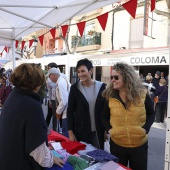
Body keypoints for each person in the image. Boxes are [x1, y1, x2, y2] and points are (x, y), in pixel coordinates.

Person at [0, 63, 64, 170]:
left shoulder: (13, 97)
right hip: (21, 164)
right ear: (37, 83)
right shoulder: (31, 105)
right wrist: (51, 158)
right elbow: (38, 151)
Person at [101, 62, 155, 170]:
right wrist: (110, 130)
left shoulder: (142, 94)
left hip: (139, 145)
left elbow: (151, 114)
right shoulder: (110, 96)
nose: (113, 80)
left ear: (126, 77)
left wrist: (145, 129)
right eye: (112, 77)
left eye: (116, 77)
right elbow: (104, 116)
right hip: (117, 144)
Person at [67, 58, 106, 149]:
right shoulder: (75, 88)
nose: (80, 74)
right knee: (84, 158)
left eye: (83, 71)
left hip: (98, 132)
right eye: (78, 72)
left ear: (91, 71)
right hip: (81, 132)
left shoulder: (102, 87)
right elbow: (70, 111)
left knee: (99, 158)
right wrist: (70, 132)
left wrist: (106, 130)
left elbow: (106, 111)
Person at [48, 67, 71, 137]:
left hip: (66, 111)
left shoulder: (61, 82)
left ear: (54, 75)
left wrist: (58, 112)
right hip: (66, 110)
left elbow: (64, 101)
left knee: (65, 133)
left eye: (49, 76)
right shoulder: (61, 81)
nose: (49, 79)